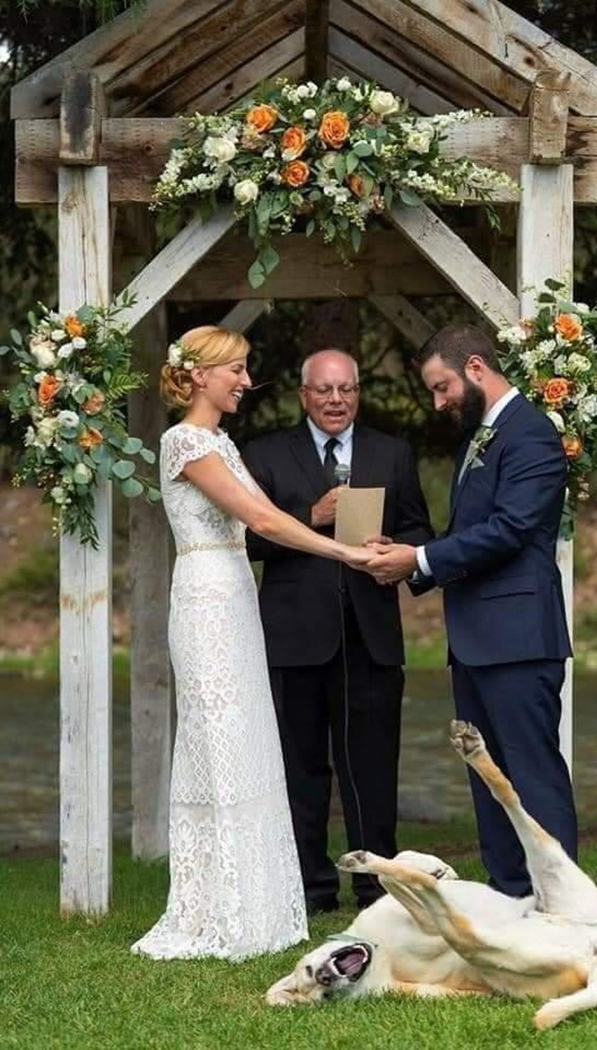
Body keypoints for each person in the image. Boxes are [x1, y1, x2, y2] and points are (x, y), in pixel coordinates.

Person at [131, 327, 370, 961]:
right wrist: (345, 550)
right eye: (235, 370)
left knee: (250, 737)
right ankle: (219, 906)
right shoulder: (183, 441)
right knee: (219, 738)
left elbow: (275, 514)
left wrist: (341, 529)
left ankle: (258, 902)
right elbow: (263, 521)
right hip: (207, 596)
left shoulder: (221, 442)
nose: (244, 380)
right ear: (201, 375)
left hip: (238, 593)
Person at [366, 325, 577, 898]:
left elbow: (509, 531)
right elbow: (470, 534)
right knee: (489, 777)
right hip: (478, 639)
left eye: (442, 387)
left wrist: (421, 557)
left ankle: (561, 905)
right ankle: (511, 894)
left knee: (531, 774)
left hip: (519, 639)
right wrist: (409, 557)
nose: (438, 403)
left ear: (477, 367)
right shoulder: (480, 437)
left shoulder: (530, 434)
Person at [242, 349, 433, 914]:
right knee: (300, 769)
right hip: (294, 639)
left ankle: (378, 889)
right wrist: (310, 518)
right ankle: (309, 889)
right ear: (304, 395)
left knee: (372, 767)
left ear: (358, 393)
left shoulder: (392, 453)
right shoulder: (267, 454)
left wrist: (393, 548)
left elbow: (420, 529)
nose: (335, 400)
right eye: (324, 390)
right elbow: (247, 542)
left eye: (346, 390)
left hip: (370, 635)